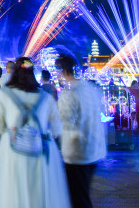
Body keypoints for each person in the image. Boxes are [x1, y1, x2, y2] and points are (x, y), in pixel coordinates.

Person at [0, 57, 70, 208]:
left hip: (13, 151)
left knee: (15, 193)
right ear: (33, 73)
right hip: (41, 152)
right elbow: (57, 129)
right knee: (40, 194)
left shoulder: (3, 95)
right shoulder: (45, 97)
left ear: (14, 73)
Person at [56, 55, 106, 208]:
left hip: (77, 151)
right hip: (95, 148)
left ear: (63, 71)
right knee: (83, 193)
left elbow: (65, 122)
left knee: (78, 198)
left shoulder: (68, 94)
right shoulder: (91, 88)